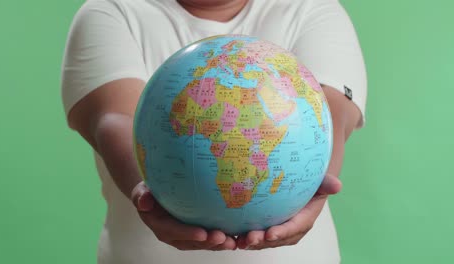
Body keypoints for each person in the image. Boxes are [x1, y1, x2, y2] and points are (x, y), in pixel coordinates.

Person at [61, 0, 367, 263]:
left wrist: (312, 190)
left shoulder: (313, 9)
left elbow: (330, 114)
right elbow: (114, 117)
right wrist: (144, 189)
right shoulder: (111, 11)